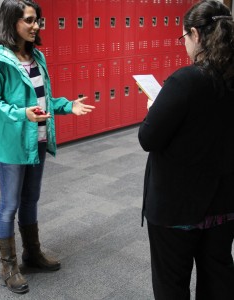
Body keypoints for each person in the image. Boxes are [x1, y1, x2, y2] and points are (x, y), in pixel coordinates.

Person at [0, 0, 95, 294]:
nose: (36, 26)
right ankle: (9, 266)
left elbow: (43, 102)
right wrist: (22, 114)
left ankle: (33, 253)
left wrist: (68, 106)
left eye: (37, 20)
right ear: (12, 22)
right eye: (30, 20)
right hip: (12, 145)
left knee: (31, 199)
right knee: (9, 205)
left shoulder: (36, 57)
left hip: (39, 140)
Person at [138, 1, 234, 299]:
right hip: (224, 204)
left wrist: (154, 108)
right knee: (218, 277)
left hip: (178, 207)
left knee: (171, 283)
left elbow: (148, 138)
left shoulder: (186, 80)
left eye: (183, 38)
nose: (184, 45)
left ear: (195, 34)